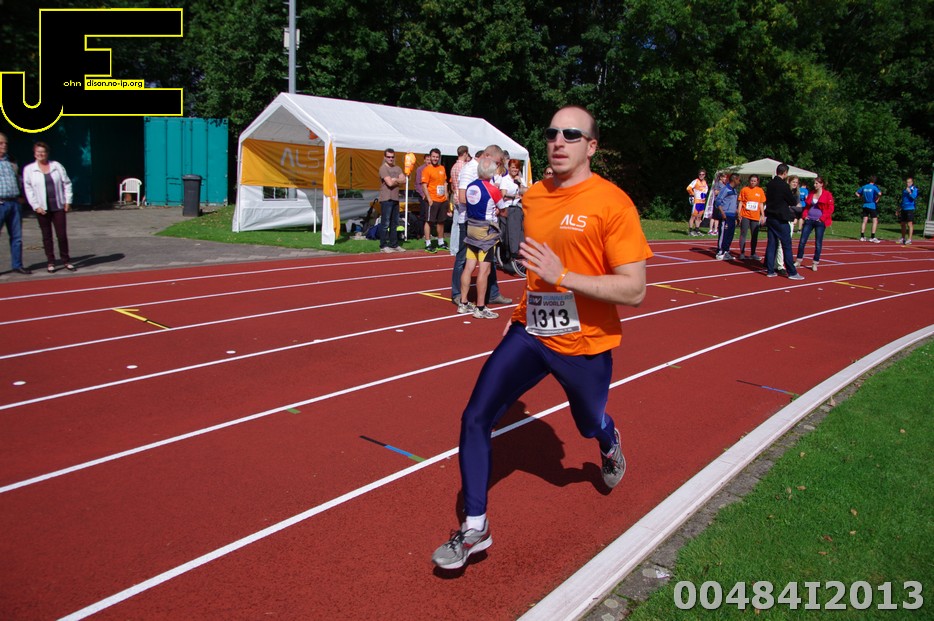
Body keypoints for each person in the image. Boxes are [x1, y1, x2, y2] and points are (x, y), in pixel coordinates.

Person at [432, 105, 652, 570]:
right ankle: (475, 527)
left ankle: (608, 440)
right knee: (476, 416)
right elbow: (527, 259)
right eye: (552, 133)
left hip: (585, 343)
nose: (558, 141)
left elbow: (634, 290)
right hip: (531, 330)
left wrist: (563, 275)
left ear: (591, 147)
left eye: (571, 135)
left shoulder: (613, 203)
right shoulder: (532, 198)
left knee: (588, 423)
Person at [452, 145, 511, 307]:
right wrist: (486, 205)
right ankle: (465, 298)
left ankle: (490, 294)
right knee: (466, 262)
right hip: (474, 223)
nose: (497, 166)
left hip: (476, 223)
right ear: (487, 156)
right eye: (497, 162)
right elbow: (462, 197)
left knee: (483, 263)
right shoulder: (470, 170)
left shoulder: (482, 175)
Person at [23, 141, 75, 273]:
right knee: (47, 236)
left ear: (47, 153)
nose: (41, 154)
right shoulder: (29, 169)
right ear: (34, 153)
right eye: (38, 152)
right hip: (42, 209)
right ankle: (51, 261)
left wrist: (68, 201)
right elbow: (28, 189)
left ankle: (66, 260)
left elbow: (67, 183)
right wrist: (36, 206)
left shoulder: (56, 166)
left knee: (61, 235)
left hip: (58, 206)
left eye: (43, 151)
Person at [764, 162, 803, 280]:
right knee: (786, 245)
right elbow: (792, 201)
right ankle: (792, 272)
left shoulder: (770, 184)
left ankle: (770, 270)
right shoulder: (784, 186)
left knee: (772, 244)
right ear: (785, 173)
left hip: (770, 217)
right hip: (780, 218)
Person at [0, 132, 31, 275]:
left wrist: (21, 196)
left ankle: (17, 265)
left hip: (14, 203)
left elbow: (19, 179)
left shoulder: (11, 160)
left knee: (17, 237)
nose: (4, 145)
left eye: (5, 143)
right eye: (1, 143)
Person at [794, 176, 834, 272]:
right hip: (809, 220)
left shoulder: (827, 194)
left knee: (818, 243)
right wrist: (805, 215)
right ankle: (798, 260)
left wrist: (822, 218)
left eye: (816, 183)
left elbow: (830, 208)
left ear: (821, 184)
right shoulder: (811, 193)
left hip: (820, 221)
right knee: (802, 240)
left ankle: (815, 262)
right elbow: (807, 206)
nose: (814, 185)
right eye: (814, 183)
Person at [377, 148, 406, 253]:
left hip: (395, 198)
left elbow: (404, 180)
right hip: (386, 198)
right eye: (388, 157)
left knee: (394, 223)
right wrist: (398, 180)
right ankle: (383, 245)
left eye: (392, 157)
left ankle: (394, 244)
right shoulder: (383, 168)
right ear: (385, 157)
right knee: (385, 223)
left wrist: (395, 180)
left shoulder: (397, 168)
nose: (390, 159)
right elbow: (389, 183)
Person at [420, 148, 448, 252]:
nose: (435, 159)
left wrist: (446, 195)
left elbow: (445, 182)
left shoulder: (442, 168)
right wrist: (429, 199)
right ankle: (428, 243)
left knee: (441, 221)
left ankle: (441, 242)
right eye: (433, 157)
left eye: (437, 157)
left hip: (442, 199)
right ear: (430, 157)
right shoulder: (427, 169)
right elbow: (424, 185)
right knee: (429, 221)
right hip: (432, 199)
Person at [448, 146, 471, 255]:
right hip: (461, 196)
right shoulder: (464, 167)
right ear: (465, 153)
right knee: (461, 223)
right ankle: (458, 248)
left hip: (455, 195)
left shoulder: (454, 166)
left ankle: (453, 248)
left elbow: (453, 184)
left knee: (455, 223)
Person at [737, 175, 765, 261]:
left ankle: (753, 253)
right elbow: (741, 202)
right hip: (745, 215)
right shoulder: (744, 189)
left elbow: (761, 203)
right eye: (751, 181)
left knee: (754, 235)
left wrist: (762, 215)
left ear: (757, 182)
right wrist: (739, 213)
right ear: (749, 181)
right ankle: (742, 253)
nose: (753, 182)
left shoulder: (760, 190)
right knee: (743, 234)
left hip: (755, 216)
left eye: (754, 181)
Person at [714, 173, 740, 260]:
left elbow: (733, 203)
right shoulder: (725, 189)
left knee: (730, 234)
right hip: (725, 215)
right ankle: (720, 251)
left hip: (732, 215)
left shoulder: (734, 190)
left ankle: (726, 251)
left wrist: (737, 213)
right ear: (734, 179)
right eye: (738, 180)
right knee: (723, 234)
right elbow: (718, 201)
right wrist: (722, 212)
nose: (739, 182)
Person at [856, 175, 882, 242]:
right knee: (875, 221)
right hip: (872, 205)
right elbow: (879, 193)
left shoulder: (864, 186)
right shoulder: (874, 187)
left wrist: (861, 198)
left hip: (865, 205)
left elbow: (857, 193)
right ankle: (872, 237)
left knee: (864, 221)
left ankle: (862, 236)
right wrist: (878, 198)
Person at [686, 169, 708, 236]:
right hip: (696, 201)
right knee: (693, 216)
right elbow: (688, 188)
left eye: (703, 174)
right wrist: (692, 194)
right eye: (700, 174)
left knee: (699, 217)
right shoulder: (695, 181)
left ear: (705, 175)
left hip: (702, 202)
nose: (701, 175)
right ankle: (690, 231)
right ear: (698, 175)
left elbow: (705, 190)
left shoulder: (705, 182)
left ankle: (697, 230)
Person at [898, 177, 918, 245]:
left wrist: (909, 192)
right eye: (907, 182)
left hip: (910, 208)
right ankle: (903, 238)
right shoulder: (904, 190)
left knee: (909, 224)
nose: (907, 183)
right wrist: (899, 208)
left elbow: (913, 197)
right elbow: (903, 199)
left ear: (912, 183)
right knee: (902, 223)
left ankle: (909, 239)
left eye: (909, 182)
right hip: (904, 208)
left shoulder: (914, 189)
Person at [708, 171, 727, 237]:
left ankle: (716, 229)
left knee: (718, 217)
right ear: (721, 177)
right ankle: (710, 229)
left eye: (725, 177)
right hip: (717, 201)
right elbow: (715, 192)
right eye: (724, 177)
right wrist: (723, 191)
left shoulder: (724, 185)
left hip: (722, 203)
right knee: (714, 216)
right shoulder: (717, 184)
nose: (725, 179)